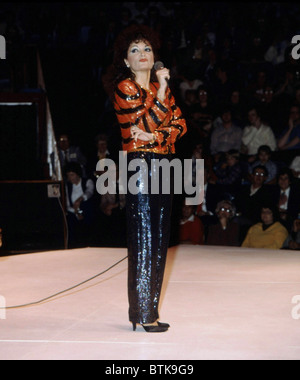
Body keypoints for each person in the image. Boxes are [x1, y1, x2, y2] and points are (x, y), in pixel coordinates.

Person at [103, 24, 187, 333]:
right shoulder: (126, 88)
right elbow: (148, 118)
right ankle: (141, 313)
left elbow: (180, 125)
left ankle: (148, 310)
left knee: (161, 236)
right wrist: (162, 97)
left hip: (163, 162)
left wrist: (153, 135)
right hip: (139, 164)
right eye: (135, 50)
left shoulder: (156, 90)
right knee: (144, 237)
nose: (142, 55)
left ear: (155, 57)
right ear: (125, 60)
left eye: (147, 49)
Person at [64, 162, 95, 248]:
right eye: (68, 176)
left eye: (72, 175)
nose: (70, 178)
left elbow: (89, 193)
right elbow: (67, 205)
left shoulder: (87, 181)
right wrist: (77, 212)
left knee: (86, 206)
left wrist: (79, 200)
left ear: (78, 174)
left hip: (86, 213)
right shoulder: (68, 186)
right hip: (74, 214)